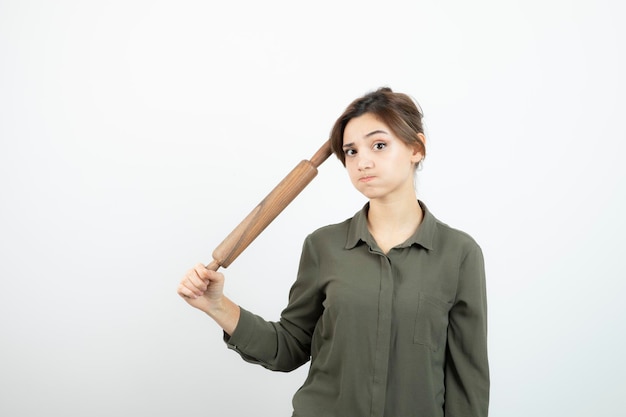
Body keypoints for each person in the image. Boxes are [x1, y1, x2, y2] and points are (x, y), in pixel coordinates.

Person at [177, 87, 490, 417]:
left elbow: (467, 381)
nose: (362, 161)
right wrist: (217, 306)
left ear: (417, 148)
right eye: (351, 151)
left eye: (379, 145)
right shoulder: (323, 246)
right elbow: (287, 348)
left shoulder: (459, 254)